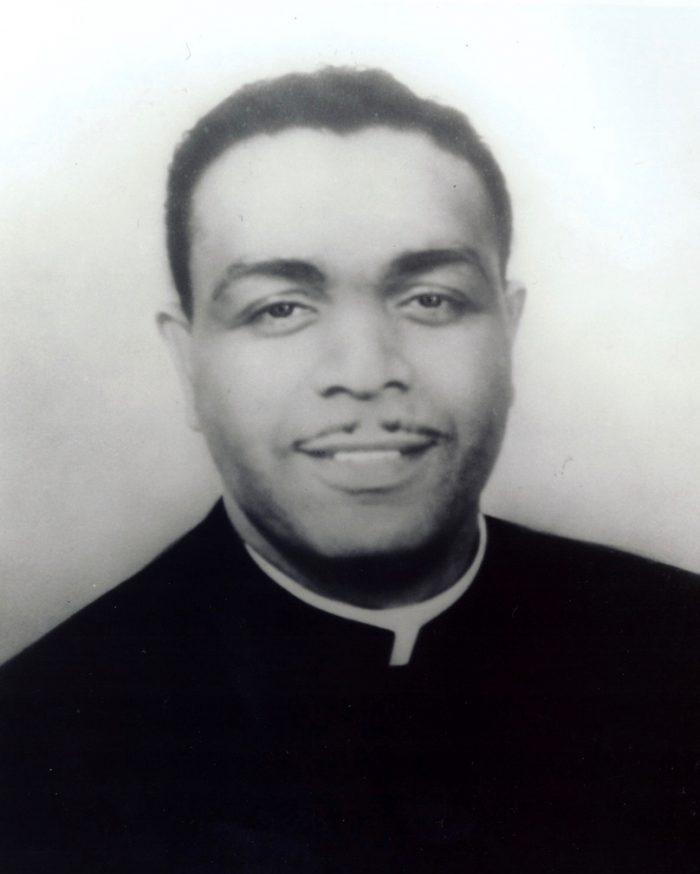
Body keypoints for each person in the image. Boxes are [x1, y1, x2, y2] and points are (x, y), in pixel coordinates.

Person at [1, 67, 698, 874]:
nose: (365, 370)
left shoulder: (679, 656)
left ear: (508, 333)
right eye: (280, 308)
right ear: (188, 363)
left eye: (430, 300)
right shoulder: (37, 747)